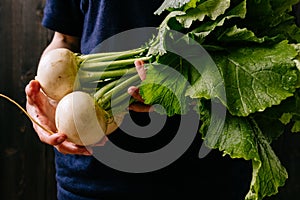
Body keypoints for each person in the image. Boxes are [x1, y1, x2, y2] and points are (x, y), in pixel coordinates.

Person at [25, 0, 252, 199]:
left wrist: (179, 84)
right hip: (91, 181)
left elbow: (245, 50)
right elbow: (64, 38)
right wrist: (43, 93)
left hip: (205, 177)